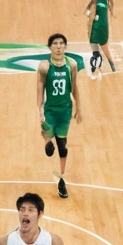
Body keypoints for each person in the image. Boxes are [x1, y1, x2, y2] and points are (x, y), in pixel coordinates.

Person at [37, 34, 81, 199]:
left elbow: (75, 87)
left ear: (65, 46)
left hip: (65, 110)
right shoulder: (44, 67)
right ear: (50, 47)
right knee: (49, 141)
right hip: (50, 109)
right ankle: (48, 142)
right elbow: (40, 90)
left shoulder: (72, 65)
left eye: (61, 43)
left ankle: (62, 179)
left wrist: (79, 106)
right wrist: (39, 109)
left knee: (63, 146)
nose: (58, 46)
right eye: (55, 44)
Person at [84, 0, 115, 78]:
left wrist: (87, 11)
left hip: (98, 24)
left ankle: (96, 63)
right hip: (103, 24)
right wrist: (111, 10)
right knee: (105, 49)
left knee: (94, 43)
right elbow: (111, 4)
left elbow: (91, 5)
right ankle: (112, 66)